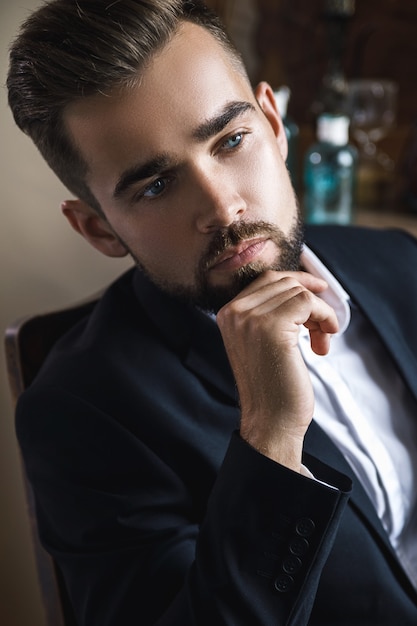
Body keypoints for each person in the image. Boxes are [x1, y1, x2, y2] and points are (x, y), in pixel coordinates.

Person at [7, 1, 417, 624]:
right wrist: (271, 438)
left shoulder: (397, 258)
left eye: (230, 140)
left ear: (274, 124)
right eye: (156, 185)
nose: (223, 207)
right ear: (98, 228)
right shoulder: (81, 413)